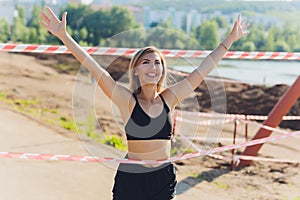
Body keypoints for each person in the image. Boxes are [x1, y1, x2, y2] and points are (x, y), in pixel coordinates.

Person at [40, 6, 249, 200]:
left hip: (163, 179)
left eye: (157, 62)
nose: (153, 66)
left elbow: (203, 69)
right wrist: (64, 36)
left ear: (162, 71)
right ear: (136, 70)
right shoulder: (127, 101)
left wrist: (230, 39)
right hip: (132, 179)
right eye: (146, 62)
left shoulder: (170, 98)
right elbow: (95, 68)